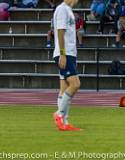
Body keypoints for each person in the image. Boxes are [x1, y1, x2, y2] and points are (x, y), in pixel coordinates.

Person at [53, 0, 81, 131]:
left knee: (64, 89)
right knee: (75, 84)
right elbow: (60, 31)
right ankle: (59, 114)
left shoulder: (68, 10)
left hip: (70, 53)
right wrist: (63, 54)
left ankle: (64, 122)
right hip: (65, 53)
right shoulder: (62, 9)